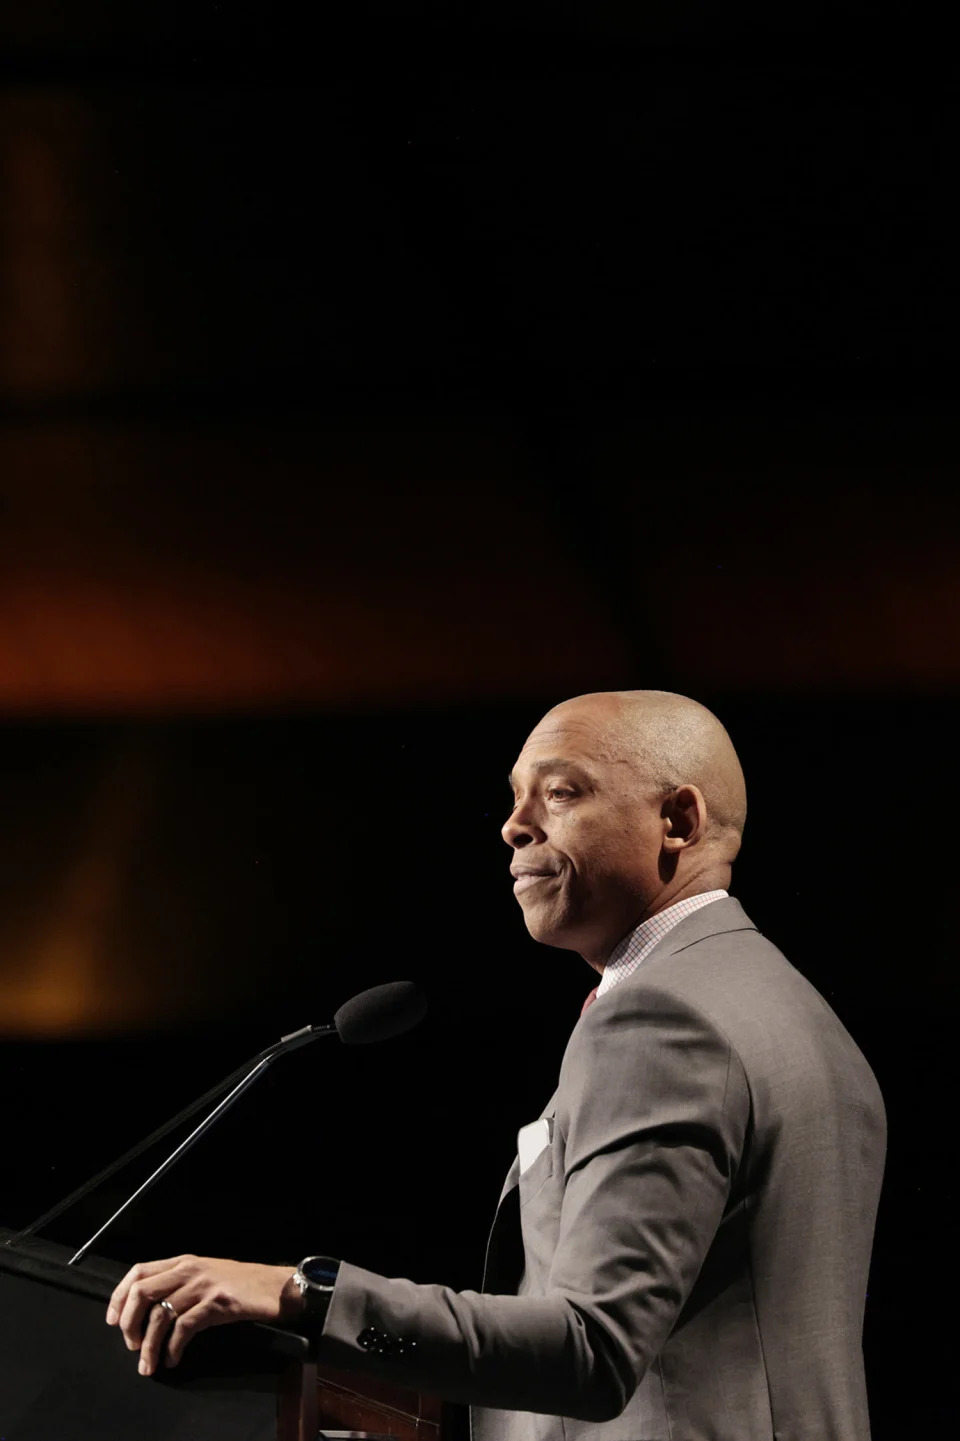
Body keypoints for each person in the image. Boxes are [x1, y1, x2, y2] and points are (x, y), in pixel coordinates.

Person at [107, 690, 886, 1441]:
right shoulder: (799, 1015)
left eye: (560, 793)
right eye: (515, 798)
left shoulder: (662, 1018)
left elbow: (591, 1347)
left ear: (678, 818)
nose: (514, 827)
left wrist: (305, 1295)